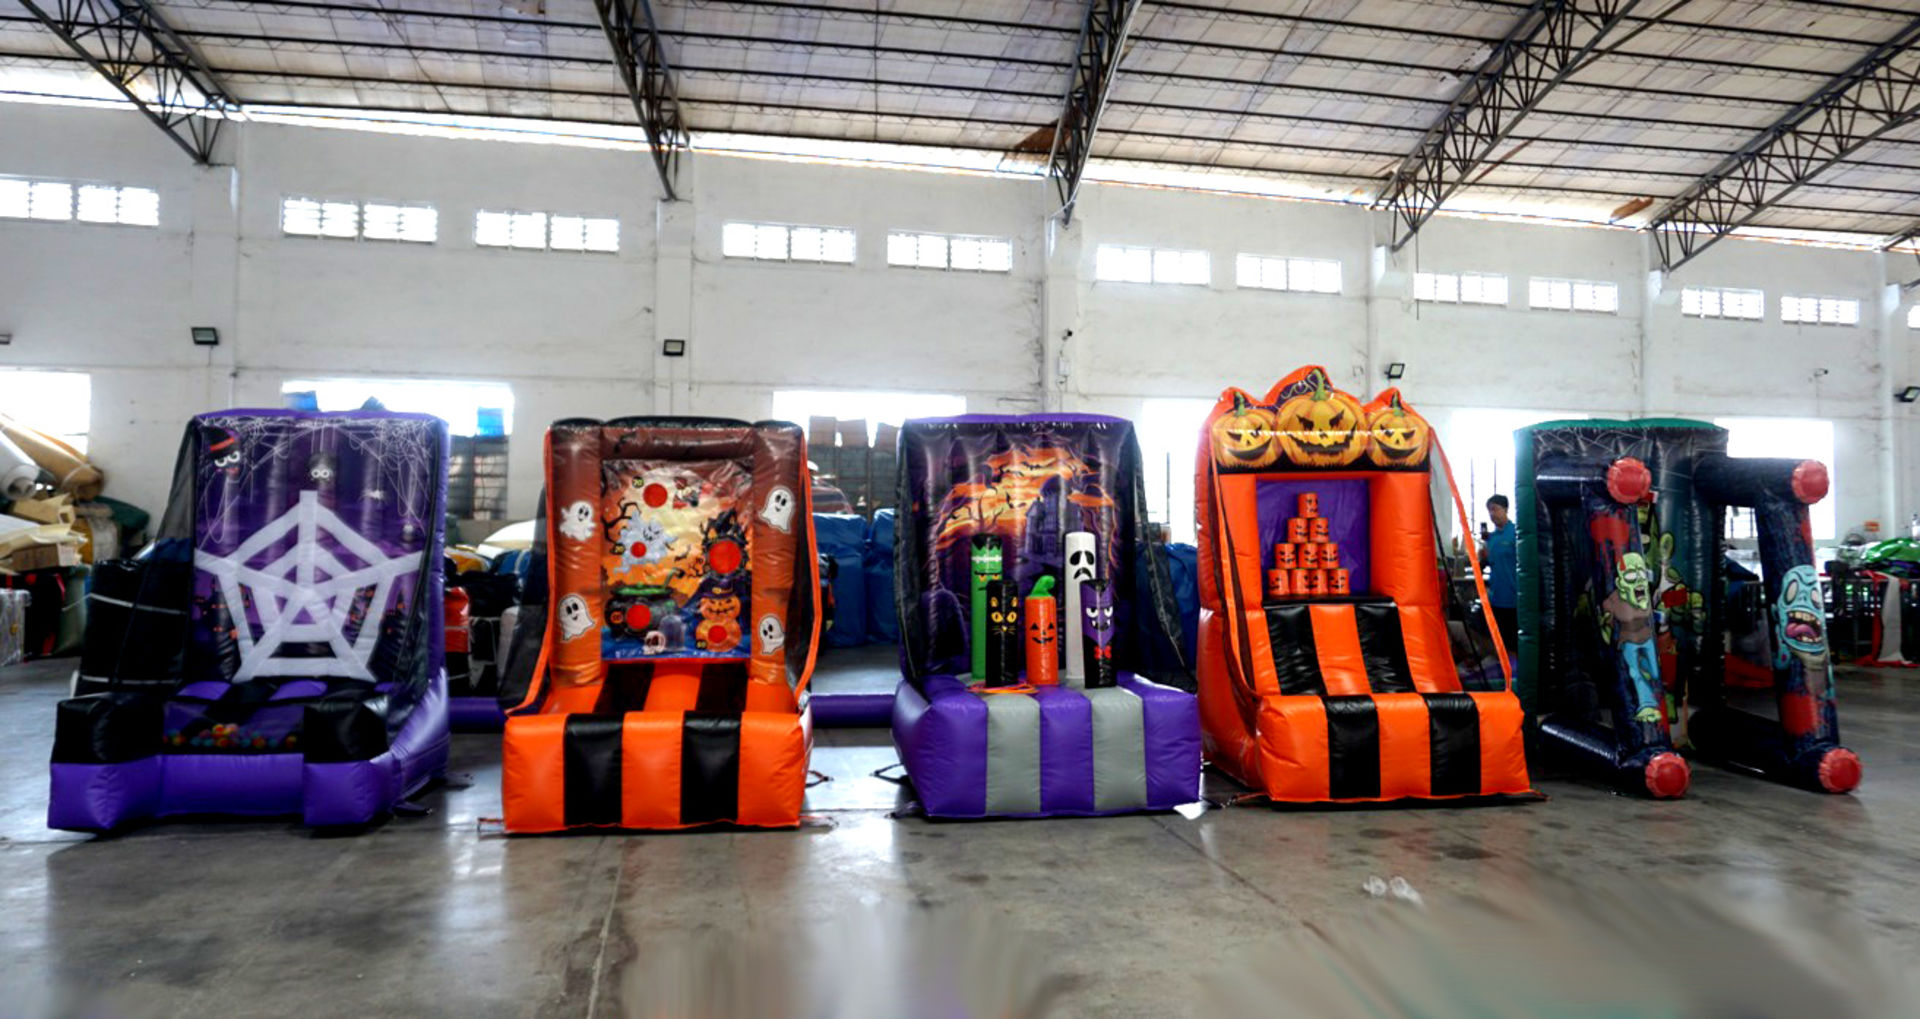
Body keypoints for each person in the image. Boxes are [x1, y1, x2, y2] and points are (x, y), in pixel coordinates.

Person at [1480, 494, 1518, 653]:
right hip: (1496, 597)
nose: (1492, 514)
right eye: (1489, 510)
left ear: (1506, 509)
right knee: (1499, 642)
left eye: (1495, 509)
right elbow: (1489, 563)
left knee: (1513, 643)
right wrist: (1483, 558)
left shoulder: (1516, 533)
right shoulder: (1491, 538)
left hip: (1513, 597)